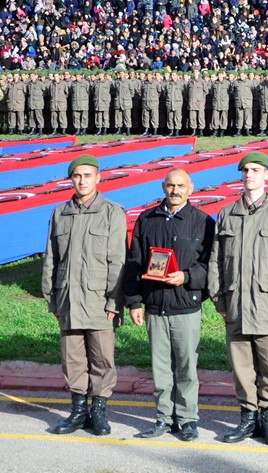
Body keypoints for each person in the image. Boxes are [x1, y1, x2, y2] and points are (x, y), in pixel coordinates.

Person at [207, 152, 268, 446]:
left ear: (267, 175)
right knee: (242, 366)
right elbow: (215, 262)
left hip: (267, 306)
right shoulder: (227, 213)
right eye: (245, 170)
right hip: (234, 304)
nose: (249, 175)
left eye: (256, 170)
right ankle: (248, 416)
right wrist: (219, 303)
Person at [124, 168, 215, 442]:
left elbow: (211, 265)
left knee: (187, 366)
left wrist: (186, 277)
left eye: (180, 186)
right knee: (160, 368)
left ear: (191, 188)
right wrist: (134, 301)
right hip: (154, 305)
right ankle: (163, 417)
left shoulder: (202, 222)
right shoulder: (147, 219)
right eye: (170, 185)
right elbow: (135, 263)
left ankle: (187, 420)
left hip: (185, 305)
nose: (175, 190)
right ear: (163, 187)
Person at [42, 155, 126, 436]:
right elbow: (51, 259)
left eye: (87, 175)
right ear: (71, 179)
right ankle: (78, 411)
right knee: (72, 359)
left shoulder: (112, 212)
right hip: (67, 299)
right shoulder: (60, 213)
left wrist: (114, 301)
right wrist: (52, 297)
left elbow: (118, 261)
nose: (82, 181)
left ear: (98, 178)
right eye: (77, 176)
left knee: (102, 358)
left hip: (99, 301)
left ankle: (98, 412)